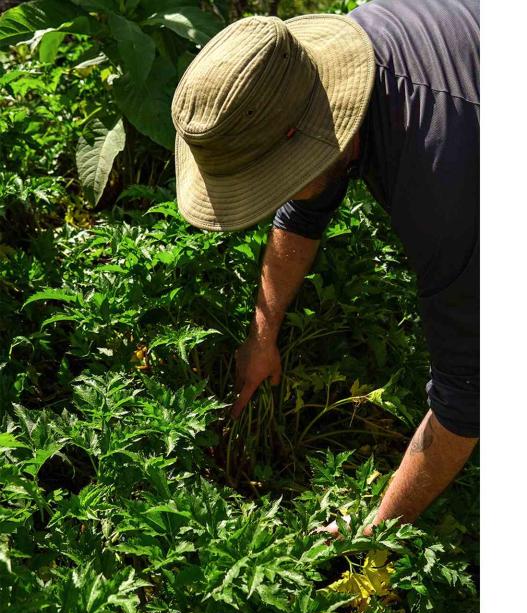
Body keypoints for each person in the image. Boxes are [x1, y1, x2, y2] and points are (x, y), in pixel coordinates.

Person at [171, 0, 479, 531]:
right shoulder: (321, 69)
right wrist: (261, 337)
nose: (272, 197)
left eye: (273, 180)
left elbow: (468, 394)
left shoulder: (446, 189)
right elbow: (306, 198)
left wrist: (367, 537)